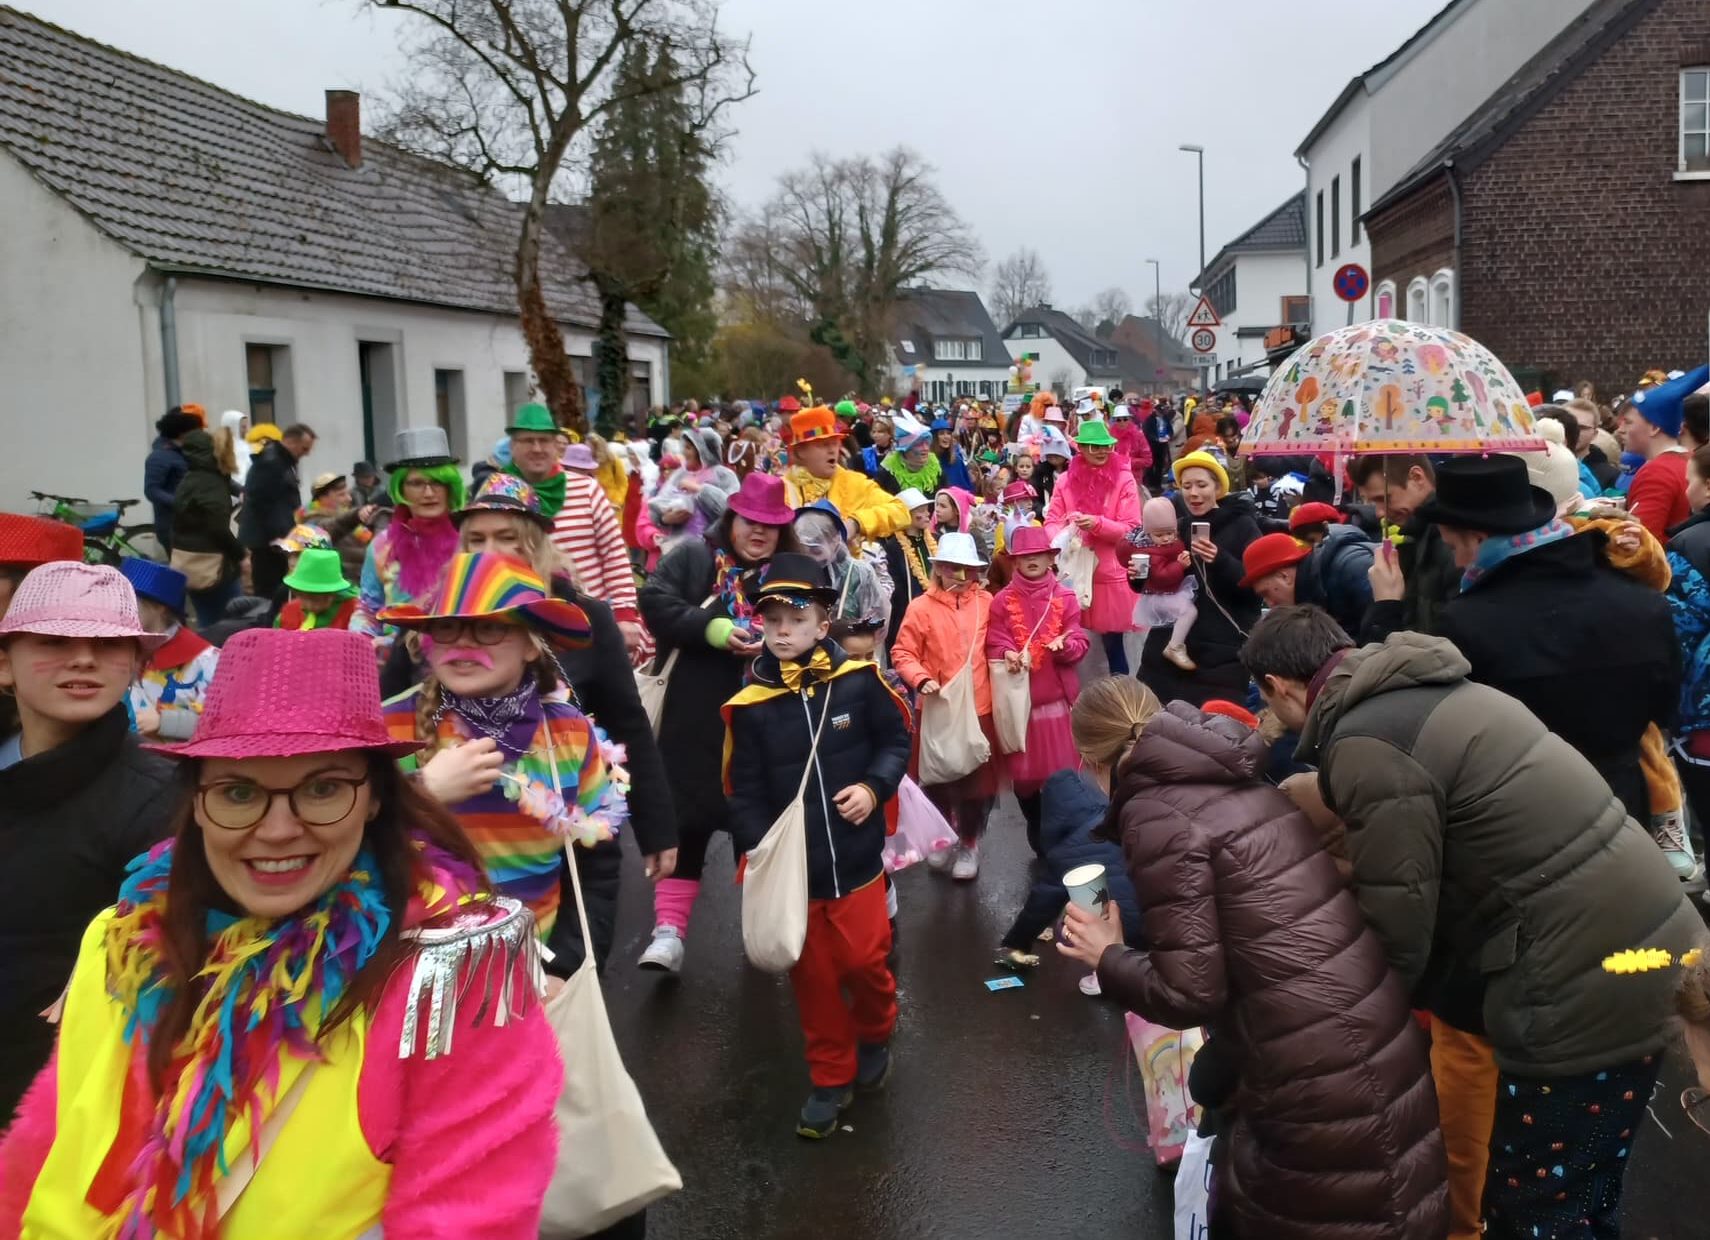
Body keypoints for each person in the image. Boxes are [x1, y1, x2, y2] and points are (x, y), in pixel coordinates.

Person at [0, 628, 560, 1237]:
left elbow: (474, 1219)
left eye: (323, 789)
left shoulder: (453, 976)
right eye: (240, 792)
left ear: (375, 798)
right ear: (194, 801)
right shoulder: (120, 938)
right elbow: (44, 1145)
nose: (277, 830)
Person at [1245, 606, 1700, 1240]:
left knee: (1537, 1205)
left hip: (1578, 980)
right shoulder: (1434, 689)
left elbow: (1396, 922)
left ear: (1280, 684)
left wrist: (1331, 1034)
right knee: (1585, 1187)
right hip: (1647, 942)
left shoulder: (1364, 740)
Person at [1056, 675, 1447, 1240]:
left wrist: (1108, 954)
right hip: (1367, 1025)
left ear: (1092, 759)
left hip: (1308, 1068)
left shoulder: (1153, 811)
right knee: (1390, 1200)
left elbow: (1189, 990)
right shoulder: (1227, 770)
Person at [422, 473, 677, 980]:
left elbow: (626, 722)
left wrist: (656, 824)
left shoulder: (584, 618)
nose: (489, 549)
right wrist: (422, 791)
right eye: (476, 539)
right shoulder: (440, 619)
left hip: (556, 814)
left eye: (506, 536)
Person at [723, 554, 912, 1138]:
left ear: (822, 624)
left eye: (796, 618)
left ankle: (877, 1032)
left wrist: (873, 787)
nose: (782, 631)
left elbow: (895, 739)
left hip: (856, 865)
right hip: (795, 876)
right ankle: (830, 1077)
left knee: (865, 964)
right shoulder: (750, 706)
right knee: (814, 980)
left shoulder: (858, 680)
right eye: (772, 618)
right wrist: (760, 850)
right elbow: (743, 789)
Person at [0, 563, 177, 1119]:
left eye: (107, 644)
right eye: (54, 641)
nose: (83, 659)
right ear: (4, 663)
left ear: (136, 666)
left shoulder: (162, 801)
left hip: (50, 1104)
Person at [380, 551, 624, 947]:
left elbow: (596, 863)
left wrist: (567, 963)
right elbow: (344, 847)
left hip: (534, 971)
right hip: (411, 976)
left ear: (531, 645)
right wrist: (422, 793)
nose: (464, 644)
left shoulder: (568, 731)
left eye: (489, 628)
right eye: (447, 627)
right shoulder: (390, 725)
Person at [1420, 454, 1677, 827]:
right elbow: (1665, 708)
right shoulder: (1645, 604)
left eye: (1454, 547)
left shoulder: (1465, 622)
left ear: (1478, 536)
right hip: (1623, 810)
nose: (1458, 563)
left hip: (1522, 819)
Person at [635, 472, 800, 972]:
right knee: (687, 820)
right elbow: (655, 603)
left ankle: (760, 931)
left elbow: (816, 621)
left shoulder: (791, 571)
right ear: (732, 518)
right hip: (693, 717)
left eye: (770, 526)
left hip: (764, 720)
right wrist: (712, 627)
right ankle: (669, 933)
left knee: (757, 827)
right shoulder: (694, 557)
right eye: (750, 521)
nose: (758, 533)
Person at [890, 531, 998, 881]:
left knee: (974, 783)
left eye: (965, 568)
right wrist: (921, 679)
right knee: (935, 778)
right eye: (950, 567)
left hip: (979, 706)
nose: (958, 575)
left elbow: (999, 642)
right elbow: (902, 652)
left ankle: (969, 842)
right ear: (937, 568)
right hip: (936, 707)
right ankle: (940, 838)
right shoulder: (920, 608)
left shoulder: (987, 603)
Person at [984, 525, 1087, 851]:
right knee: (1025, 781)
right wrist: (1006, 653)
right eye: (1024, 556)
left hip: (1057, 703)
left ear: (1049, 558)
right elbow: (994, 640)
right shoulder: (1001, 601)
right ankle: (1037, 829)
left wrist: (1065, 645)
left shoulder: (1066, 597)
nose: (1031, 560)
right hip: (1019, 705)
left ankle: (1062, 838)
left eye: (1037, 554)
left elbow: (1079, 640)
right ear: (1014, 561)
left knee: (1062, 779)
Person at [994, 767, 1139, 996]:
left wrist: (1015, 943)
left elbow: (1039, 907)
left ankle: (1105, 974)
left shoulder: (1066, 851)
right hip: (1160, 920)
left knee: (1067, 923)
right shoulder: (1119, 822)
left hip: (1121, 931)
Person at [1138, 449, 1262, 706]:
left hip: (1222, 654)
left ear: (1217, 488)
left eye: (1202, 485)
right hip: (1168, 651)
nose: (1194, 493)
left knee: (1214, 731)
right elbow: (1158, 584)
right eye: (1186, 486)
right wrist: (1138, 576)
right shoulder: (1177, 528)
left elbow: (1256, 587)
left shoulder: (1243, 526)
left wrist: (1221, 560)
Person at [352, 427, 465, 664]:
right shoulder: (383, 546)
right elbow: (368, 608)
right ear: (401, 489)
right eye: (417, 483)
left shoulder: (470, 539)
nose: (428, 493)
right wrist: (362, 642)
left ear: (450, 487)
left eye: (438, 482)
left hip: (461, 656)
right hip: (398, 662)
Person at [1044, 419, 1142, 675]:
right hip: (1072, 574)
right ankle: (1075, 702)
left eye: (1105, 447)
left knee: (1113, 645)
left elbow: (1132, 527)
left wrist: (1097, 524)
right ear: (1080, 448)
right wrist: (1064, 536)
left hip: (1108, 574)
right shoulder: (1065, 481)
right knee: (1069, 643)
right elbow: (1052, 520)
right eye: (1092, 446)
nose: (1101, 452)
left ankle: (1120, 703)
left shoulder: (1124, 479)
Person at [1347, 452, 1461, 636]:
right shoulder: (1410, 535)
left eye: (1384, 498)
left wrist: (1386, 605)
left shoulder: (1454, 542)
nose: (1378, 513)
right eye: (1371, 501)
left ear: (1417, 478)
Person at [119, 557, 219, 741]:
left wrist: (165, 722)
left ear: (159, 607)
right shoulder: (115, 648)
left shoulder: (205, 661)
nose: (120, 610)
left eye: (128, 603)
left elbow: (222, 724)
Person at [782, 406, 911, 544]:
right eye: (823, 445)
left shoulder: (854, 483)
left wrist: (857, 523)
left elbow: (901, 512)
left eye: (835, 444)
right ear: (801, 452)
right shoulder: (780, 489)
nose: (832, 450)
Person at [168, 428, 246, 629]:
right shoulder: (211, 484)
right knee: (231, 622)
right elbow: (218, 529)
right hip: (214, 566)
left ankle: (206, 656)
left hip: (187, 561)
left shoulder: (191, 478)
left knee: (206, 620)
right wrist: (241, 554)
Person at [1239, 527, 1376, 639]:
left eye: (1266, 593)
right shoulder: (1319, 586)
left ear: (1284, 576)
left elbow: (1384, 627)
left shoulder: (1348, 568)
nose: (1270, 603)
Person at [1623, 365, 1708, 540]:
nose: (1621, 429)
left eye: (1629, 422)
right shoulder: (1690, 459)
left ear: (1654, 427)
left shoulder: (1656, 472)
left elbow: (1640, 545)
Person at [239, 422, 316, 598]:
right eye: (304, 449)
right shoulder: (271, 462)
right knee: (269, 591)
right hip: (268, 542)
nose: (306, 453)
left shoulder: (281, 461)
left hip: (273, 539)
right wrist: (283, 537)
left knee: (276, 589)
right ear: (291, 442)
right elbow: (263, 503)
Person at [793, 500, 891, 636]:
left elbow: (877, 624)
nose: (810, 559)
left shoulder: (859, 574)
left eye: (816, 551)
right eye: (803, 550)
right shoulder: (790, 571)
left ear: (835, 541)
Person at [1124, 496, 1198, 672]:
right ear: (1149, 534)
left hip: (1169, 592)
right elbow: (1161, 576)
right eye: (1159, 535)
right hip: (1160, 595)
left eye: (1169, 533)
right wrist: (1180, 565)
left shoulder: (1170, 546)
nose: (1166, 538)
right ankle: (1175, 645)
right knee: (1189, 612)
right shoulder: (1151, 552)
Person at [879, 487, 937, 657]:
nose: (927, 514)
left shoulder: (934, 540)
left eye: (927, 510)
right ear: (906, 515)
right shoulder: (893, 547)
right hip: (906, 614)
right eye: (920, 511)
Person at [302, 472, 379, 586]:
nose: (349, 498)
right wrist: (356, 515)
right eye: (341, 495)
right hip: (344, 587)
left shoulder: (345, 517)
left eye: (348, 494)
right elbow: (333, 526)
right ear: (323, 498)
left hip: (364, 583)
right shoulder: (313, 523)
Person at [142, 409, 200, 554]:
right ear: (182, 433)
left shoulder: (189, 452)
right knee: (186, 572)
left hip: (195, 522)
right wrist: (181, 502)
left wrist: (241, 490)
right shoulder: (160, 457)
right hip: (173, 526)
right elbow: (152, 490)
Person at [276, 547, 360, 631]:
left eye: (314, 599)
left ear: (332, 594)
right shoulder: (290, 611)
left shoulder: (353, 610)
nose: (307, 605)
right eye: (302, 597)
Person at [216, 409, 253, 486]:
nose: (247, 430)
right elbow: (239, 475)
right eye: (243, 427)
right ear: (233, 426)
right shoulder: (227, 447)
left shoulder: (245, 445)